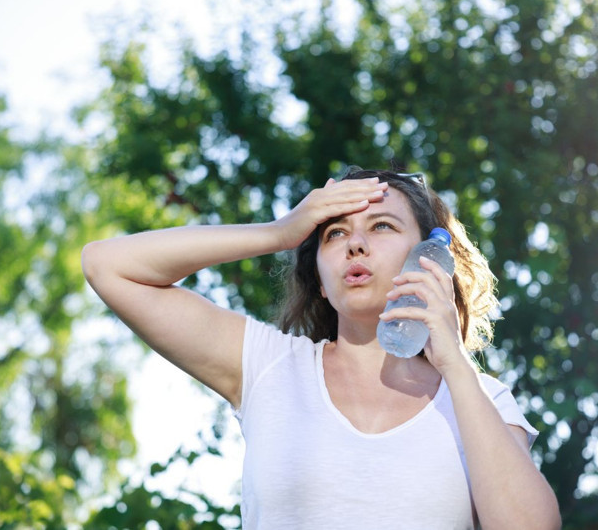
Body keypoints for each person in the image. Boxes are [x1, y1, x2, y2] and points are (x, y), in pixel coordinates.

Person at [81, 167, 561, 529]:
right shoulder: (267, 367)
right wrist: (279, 232)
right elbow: (108, 265)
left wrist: (455, 365)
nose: (355, 244)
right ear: (322, 285)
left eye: (382, 227)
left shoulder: (479, 399)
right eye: (335, 233)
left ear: (429, 259)